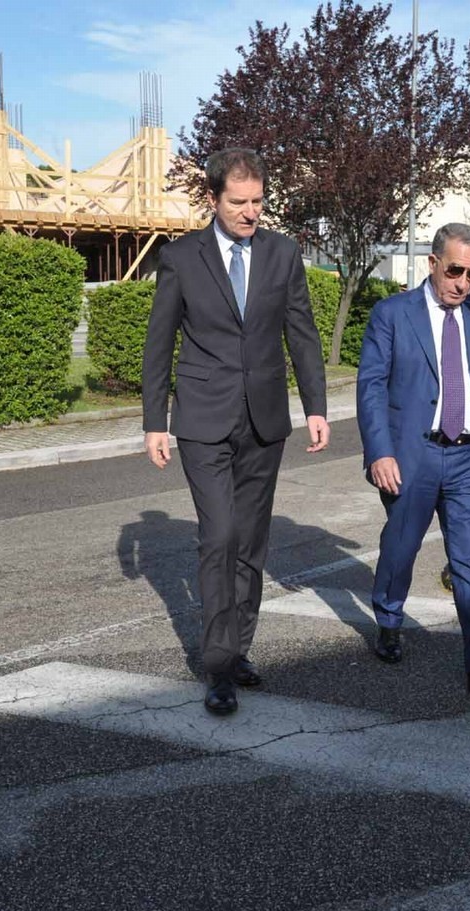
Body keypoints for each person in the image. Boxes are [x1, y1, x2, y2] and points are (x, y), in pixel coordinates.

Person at [141, 148, 330, 716]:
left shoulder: (282, 253)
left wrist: (315, 407)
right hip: (201, 418)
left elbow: (302, 332)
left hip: (266, 418)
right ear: (213, 199)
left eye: (258, 202)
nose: (250, 213)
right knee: (219, 535)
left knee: (250, 542)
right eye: (238, 203)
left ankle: (239, 648)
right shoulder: (180, 258)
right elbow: (159, 342)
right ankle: (218, 665)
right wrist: (156, 421)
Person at [356, 222, 470, 695]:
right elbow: (371, 387)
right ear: (433, 263)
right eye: (455, 270)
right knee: (401, 547)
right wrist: (380, 452)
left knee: (469, 561)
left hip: (466, 461)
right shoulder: (393, 314)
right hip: (411, 455)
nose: (463, 282)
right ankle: (389, 619)